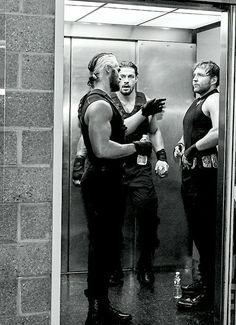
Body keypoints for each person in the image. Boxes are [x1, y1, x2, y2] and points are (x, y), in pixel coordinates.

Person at [78, 52, 166, 325]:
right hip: (102, 182)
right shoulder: (100, 105)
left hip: (106, 181)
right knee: (102, 246)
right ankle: (96, 310)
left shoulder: (97, 100)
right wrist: (135, 147)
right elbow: (103, 148)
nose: (122, 77)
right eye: (118, 70)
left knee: (105, 244)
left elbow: (119, 128)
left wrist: (145, 112)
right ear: (107, 71)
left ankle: (100, 305)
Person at [109, 61, 169, 288]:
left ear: (136, 79)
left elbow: (154, 131)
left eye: (130, 77)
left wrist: (162, 156)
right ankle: (114, 268)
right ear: (117, 79)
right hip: (114, 168)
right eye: (121, 76)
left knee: (148, 218)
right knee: (112, 223)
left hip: (140, 169)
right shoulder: (108, 102)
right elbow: (118, 130)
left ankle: (145, 266)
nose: (125, 81)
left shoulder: (145, 101)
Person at [173, 60, 220, 310]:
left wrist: (193, 148)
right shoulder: (198, 101)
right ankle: (203, 282)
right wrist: (182, 144)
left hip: (204, 177)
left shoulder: (214, 99)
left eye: (200, 75)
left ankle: (210, 293)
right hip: (191, 176)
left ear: (213, 80)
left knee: (206, 234)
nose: (195, 79)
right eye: (193, 75)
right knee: (199, 233)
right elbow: (192, 130)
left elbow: (219, 131)